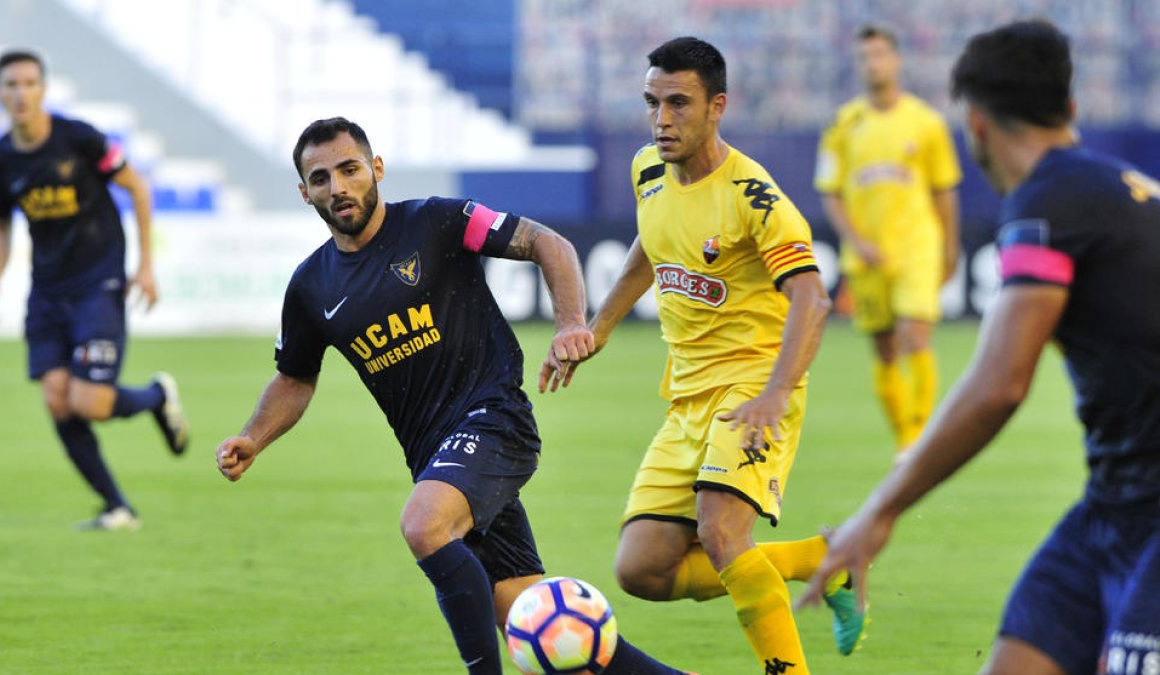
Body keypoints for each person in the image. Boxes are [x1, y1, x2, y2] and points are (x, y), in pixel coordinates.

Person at [215, 117, 694, 675]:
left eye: (349, 170)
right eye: (320, 179)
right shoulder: (310, 286)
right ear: (305, 193)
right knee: (534, 621)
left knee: (423, 525)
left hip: (496, 421)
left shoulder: (439, 221)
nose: (338, 187)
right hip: (437, 459)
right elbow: (295, 377)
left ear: (376, 169)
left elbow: (548, 243)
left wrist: (569, 323)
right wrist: (253, 437)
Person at [799, 20, 1160, 675]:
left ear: (976, 125)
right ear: (1070, 110)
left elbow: (1000, 383)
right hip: (1116, 502)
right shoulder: (1117, 186)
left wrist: (879, 510)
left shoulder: (1046, 201)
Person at [539, 37, 865, 672]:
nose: (662, 119)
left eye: (679, 104)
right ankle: (824, 561)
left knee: (721, 533)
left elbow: (813, 300)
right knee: (643, 569)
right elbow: (650, 243)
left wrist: (775, 393)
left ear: (717, 106)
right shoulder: (648, 171)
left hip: (753, 389)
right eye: (652, 103)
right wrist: (598, 328)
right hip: (687, 395)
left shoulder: (754, 197)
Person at [0, 50, 189, 531]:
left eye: (29, 83)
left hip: (99, 282)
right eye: (10, 84)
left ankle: (156, 397)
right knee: (56, 400)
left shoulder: (80, 138)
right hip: (47, 291)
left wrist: (146, 266)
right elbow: (3, 227)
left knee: (89, 403)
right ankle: (117, 507)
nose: (20, 93)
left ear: (43, 89)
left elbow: (138, 188)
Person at [814, 25, 962, 453]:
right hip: (866, 255)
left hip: (918, 245)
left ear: (896, 61)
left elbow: (944, 190)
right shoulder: (844, 125)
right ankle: (905, 439)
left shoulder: (927, 122)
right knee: (883, 349)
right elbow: (832, 192)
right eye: (864, 57)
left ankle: (919, 437)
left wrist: (950, 247)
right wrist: (857, 242)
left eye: (880, 55)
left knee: (915, 337)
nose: (872, 63)